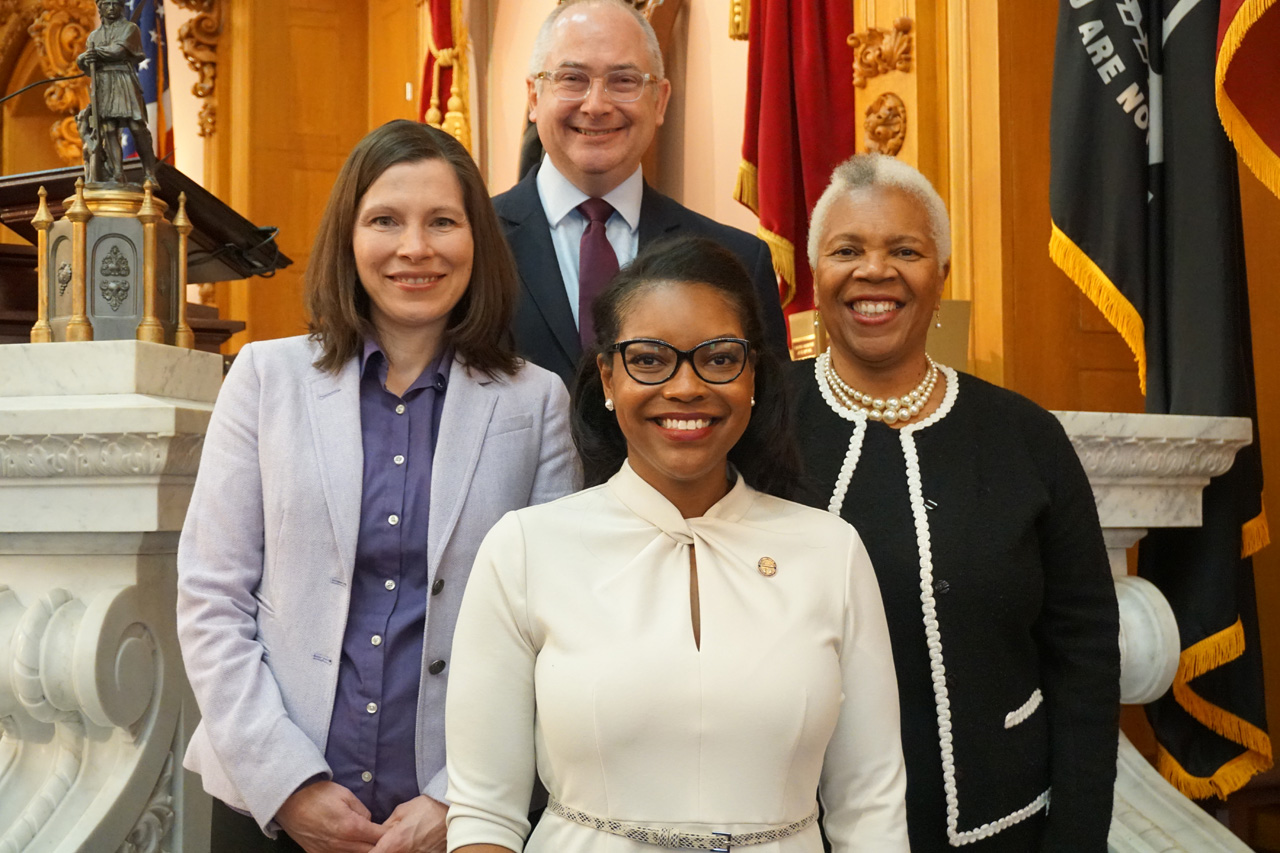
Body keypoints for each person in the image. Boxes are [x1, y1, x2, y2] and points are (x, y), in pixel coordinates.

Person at [177, 120, 580, 853]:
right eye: (385, 220)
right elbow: (213, 598)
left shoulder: (535, 401)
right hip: (270, 811)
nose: (414, 248)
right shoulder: (263, 381)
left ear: (476, 241)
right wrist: (288, 782)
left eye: (443, 222)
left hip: (458, 818)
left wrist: (460, 794)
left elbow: (553, 627)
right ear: (349, 237)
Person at [444, 235, 909, 853]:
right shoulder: (526, 549)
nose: (686, 387)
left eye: (718, 359)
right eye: (650, 360)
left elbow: (870, 808)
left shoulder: (831, 552)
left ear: (752, 379)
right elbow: (483, 815)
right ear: (608, 377)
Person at [790, 153, 1120, 852]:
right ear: (815, 275)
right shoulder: (760, 424)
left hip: (1001, 826)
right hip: (794, 830)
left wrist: (1078, 836)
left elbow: (1084, 652)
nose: (874, 271)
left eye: (904, 250)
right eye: (847, 250)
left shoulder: (1026, 435)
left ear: (941, 277)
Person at [493, 0, 789, 385]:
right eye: (571, 78)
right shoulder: (471, 246)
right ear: (534, 97)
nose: (596, 105)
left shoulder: (739, 263)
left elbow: (769, 428)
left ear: (660, 100)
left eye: (624, 81)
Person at [77, 0, 159, 185]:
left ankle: (149, 172)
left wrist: (93, 54)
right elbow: (86, 64)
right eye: (107, 4)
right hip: (103, 83)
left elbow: (118, 51)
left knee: (137, 127)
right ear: (100, 7)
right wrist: (83, 58)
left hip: (123, 79)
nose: (112, 8)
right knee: (109, 129)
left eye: (116, 4)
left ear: (122, 7)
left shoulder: (130, 29)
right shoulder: (94, 36)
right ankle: (118, 174)